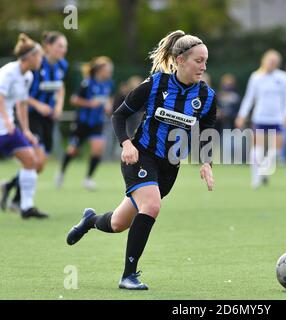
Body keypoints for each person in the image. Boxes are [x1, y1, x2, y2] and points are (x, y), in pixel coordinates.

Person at [65, 30, 216, 290]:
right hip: (140, 155)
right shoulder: (155, 84)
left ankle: (90, 220)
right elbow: (118, 116)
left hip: (169, 168)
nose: (203, 67)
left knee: (118, 223)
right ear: (180, 60)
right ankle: (128, 276)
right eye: (198, 61)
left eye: (205, 61)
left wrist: (206, 162)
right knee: (152, 206)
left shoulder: (207, 96)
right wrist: (126, 144)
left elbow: (206, 129)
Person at [1, 31, 68, 211]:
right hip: (31, 117)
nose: (63, 50)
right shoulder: (25, 68)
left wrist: (58, 107)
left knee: (36, 164)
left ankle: (16, 195)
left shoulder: (59, 66)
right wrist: (38, 106)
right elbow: (18, 97)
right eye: (60, 46)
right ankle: (19, 200)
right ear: (47, 47)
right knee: (34, 161)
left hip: (45, 120)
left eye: (65, 47)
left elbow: (60, 88)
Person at [0, 33, 48, 218]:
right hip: (4, 127)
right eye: (39, 56)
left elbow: (21, 104)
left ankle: (26, 208)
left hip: (9, 128)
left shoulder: (27, 76)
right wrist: (6, 119)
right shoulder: (8, 72)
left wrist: (26, 130)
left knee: (31, 160)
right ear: (30, 57)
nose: (41, 60)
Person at [235, 49, 286, 188]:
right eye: (269, 61)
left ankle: (264, 170)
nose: (271, 64)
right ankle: (255, 178)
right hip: (260, 117)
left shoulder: (283, 77)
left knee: (276, 149)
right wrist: (242, 115)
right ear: (264, 61)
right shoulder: (256, 77)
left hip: (277, 118)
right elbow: (249, 98)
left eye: (274, 62)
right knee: (257, 148)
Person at [56, 56, 114, 190]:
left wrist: (108, 106)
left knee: (98, 149)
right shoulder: (87, 83)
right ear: (99, 70)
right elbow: (74, 99)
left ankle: (88, 179)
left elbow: (109, 99)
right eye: (108, 69)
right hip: (82, 122)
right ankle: (61, 172)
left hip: (97, 122)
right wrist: (89, 103)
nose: (110, 72)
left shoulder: (108, 84)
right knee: (73, 150)